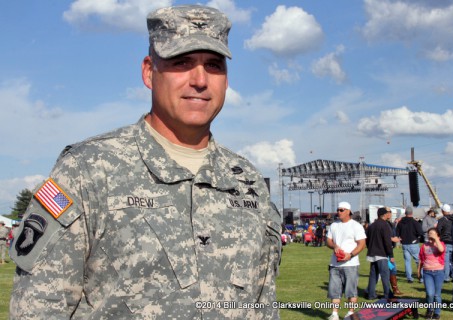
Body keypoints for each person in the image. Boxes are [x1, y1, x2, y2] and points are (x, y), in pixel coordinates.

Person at [9, 5, 282, 319]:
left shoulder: (246, 180)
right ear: (149, 72)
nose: (200, 80)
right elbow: (38, 309)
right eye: (182, 63)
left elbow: (263, 306)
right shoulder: (88, 169)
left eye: (214, 65)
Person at [326, 201, 366, 320]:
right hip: (335, 263)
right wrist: (334, 246)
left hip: (351, 264)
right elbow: (328, 240)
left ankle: (350, 312)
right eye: (338, 210)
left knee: (351, 290)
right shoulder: (334, 225)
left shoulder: (356, 226)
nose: (339, 212)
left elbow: (362, 244)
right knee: (334, 290)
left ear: (348, 211)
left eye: (341, 210)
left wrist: (351, 255)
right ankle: (334, 314)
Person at [364, 207, 395, 301]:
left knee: (373, 275)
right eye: (387, 213)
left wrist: (370, 248)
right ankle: (387, 295)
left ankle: (371, 294)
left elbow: (367, 240)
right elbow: (387, 241)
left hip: (372, 253)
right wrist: (391, 255)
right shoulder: (385, 225)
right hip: (382, 254)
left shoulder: (371, 225)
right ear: (384, 214)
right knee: (385, 275)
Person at [418, 227, 445, 320]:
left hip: (439, 272)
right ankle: (430, 310)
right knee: (430, 293)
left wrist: (436, 239)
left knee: (437, 295)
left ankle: (437, 313)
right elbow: (421, 260)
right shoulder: (424, 246)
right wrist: (419, 271)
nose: (430, 235)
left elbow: (441, 250)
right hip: (427, 272)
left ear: (438, 235)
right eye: (429, 233)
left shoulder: (440, 244)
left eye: (433, 233)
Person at [396, 206, 423, 283]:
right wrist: (417, 236)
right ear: (412, 213)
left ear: (405, 213)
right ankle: (421, 277)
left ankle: (409, 278)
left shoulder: (400, 223)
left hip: (404, 243)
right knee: (418, 261)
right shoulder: (415, 222)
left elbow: (397, 233)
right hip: (413, 243)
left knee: (407, 261)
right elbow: (420, 232)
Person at [436, 203, 453, 282]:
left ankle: (446, 276)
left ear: (443, 211)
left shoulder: (442, 220)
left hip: (445, 241)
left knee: (446, 260)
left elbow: (438, 230)